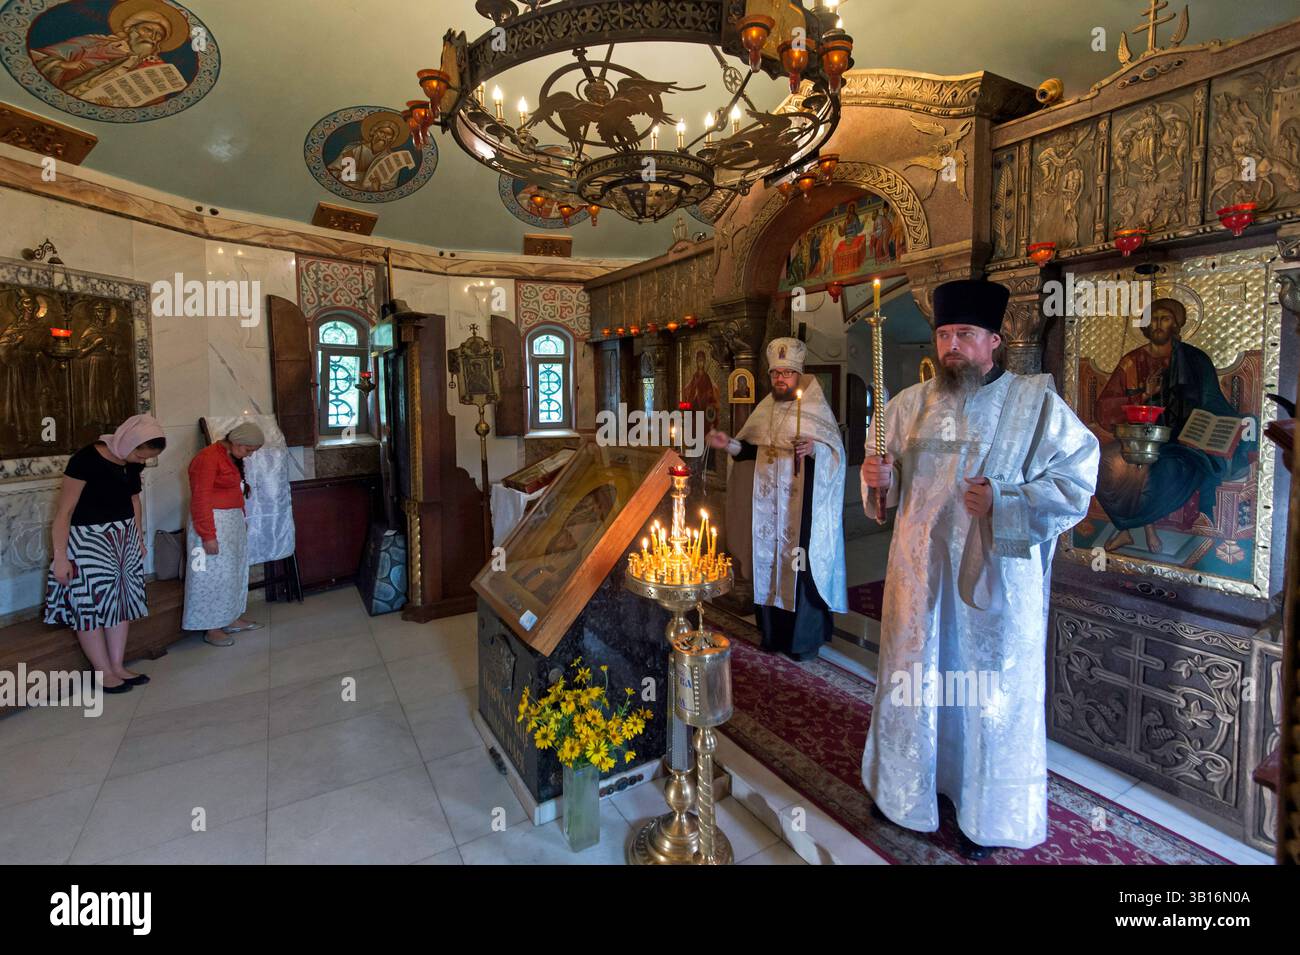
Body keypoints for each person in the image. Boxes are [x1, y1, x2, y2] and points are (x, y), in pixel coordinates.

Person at [859, 278, 1099, 858]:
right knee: (917, 682)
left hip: (995, 583)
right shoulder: (907, 405)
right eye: (943, 335)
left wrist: (1006, 500)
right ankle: (907, 790)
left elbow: (1075, 481)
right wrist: (878, 483)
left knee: (987, 694)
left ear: (994, 341)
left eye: (964, 335)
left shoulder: (1034, 401)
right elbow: (884, 480)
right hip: (919, 580)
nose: (951, 347)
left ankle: (985, 812)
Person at [708, 338, 847, 660]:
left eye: (786, 373)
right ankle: (772, 634)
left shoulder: (815, 408)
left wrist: (815, 450)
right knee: (768, 563)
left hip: (802, 512)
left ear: (798, 375)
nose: (780, 380)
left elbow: (835, 454)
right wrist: (728, 443)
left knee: (799, 569)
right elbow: (750, 451)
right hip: (768, 509)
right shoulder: (766, 409)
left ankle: (802, 641)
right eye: (775, 374)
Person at [1093, 297, 1253, 552]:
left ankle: (1140, 530)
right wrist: (1143, 395)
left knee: (1159, 471)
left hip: (1183, 441)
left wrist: (1232, 427)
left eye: (1165, 318)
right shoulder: (1131, 362)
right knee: (1105, 462)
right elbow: (1104, 409)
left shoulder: (1195, 360)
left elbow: (1213, 402)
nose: (1158, 324)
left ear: (1176, 324)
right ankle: (1125, 529)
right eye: (1153, 319)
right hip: (1139, 438)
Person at [44, 414, 167, 693]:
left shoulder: (131, 463)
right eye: (139, 453)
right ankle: (103, 671)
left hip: (122, 538)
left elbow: (134, 500)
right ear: (129, 440)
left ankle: (117, 665)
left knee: (120, 603)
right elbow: (64, 511)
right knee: (90, 606)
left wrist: (137, 537)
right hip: (88, 540)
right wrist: (60, 557)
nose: (140, 460)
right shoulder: (85, 459)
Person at [183, 423, 265, 646]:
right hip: (212, 523)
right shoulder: (207, 458)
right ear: (237, 443)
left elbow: (234, 491)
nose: (250, 455)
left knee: (231, 572)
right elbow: (200, 499)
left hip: (231, 523)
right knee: (209, 576)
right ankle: (212, 627)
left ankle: (231, 617)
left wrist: (241, 518)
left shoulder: (230, 456)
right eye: (249, 450)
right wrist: (208, 535)